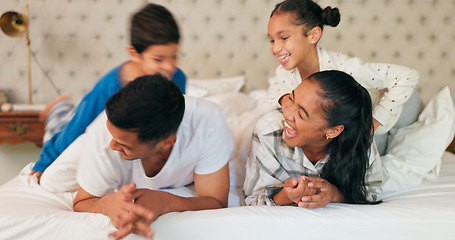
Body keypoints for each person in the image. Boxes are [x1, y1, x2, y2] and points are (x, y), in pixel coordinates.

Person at [30, 3, 187, 178]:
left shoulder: (178, 79)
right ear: (134, 54)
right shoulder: (110, 86)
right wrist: (45, 163)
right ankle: (56, 107)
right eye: (158, 59)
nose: (170, 66)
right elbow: (76, 129)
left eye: (174, 56)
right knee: (62, 122)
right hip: (79, 119)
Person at [73, 75, 234, 239]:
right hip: (88, 144)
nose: (113, 145)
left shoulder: (208, 124)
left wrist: (167, 202)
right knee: (53, 178)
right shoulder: (102, 141)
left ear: (166, 143)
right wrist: (107, 204)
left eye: (125, 145)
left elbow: (217, 202)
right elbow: (81, 202)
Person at [265, 0, 419, 137]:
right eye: (272, 40)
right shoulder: (284, 73)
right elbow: (269, 101)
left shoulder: (344, 69)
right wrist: (285, 99)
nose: (275, 48)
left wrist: (374, 123)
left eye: (284, 38)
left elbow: (408, 76)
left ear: (313, 35)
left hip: (401, 109)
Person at [244, 70, 383, 208]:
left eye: (301, 114)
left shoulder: (360, 142)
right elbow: (252, 200)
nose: (287, 114)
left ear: (333, 130)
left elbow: (368, 193)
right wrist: (286, 196)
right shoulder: (268, 132)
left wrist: (334, 195)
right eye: (291, 99)